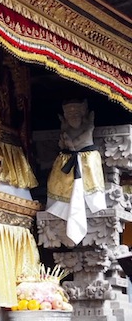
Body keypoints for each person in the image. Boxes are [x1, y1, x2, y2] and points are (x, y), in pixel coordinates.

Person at [46, 99, 106, 245]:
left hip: (86, 159)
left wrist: (72, 144)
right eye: (69, 113)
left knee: (89, 165)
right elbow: (63, 141)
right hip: (67, 159)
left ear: (83, 112)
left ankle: (92, 199)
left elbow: (83, 138)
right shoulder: (66, 127)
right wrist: (65, 143)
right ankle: (60, 202)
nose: (73, 116)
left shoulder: (88, 125)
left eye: (76, 112)